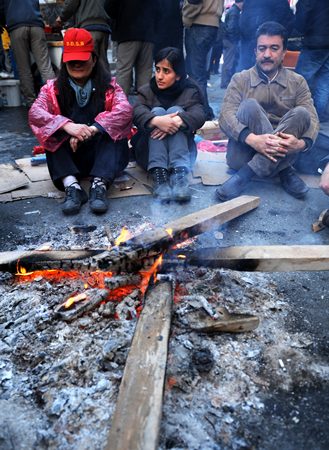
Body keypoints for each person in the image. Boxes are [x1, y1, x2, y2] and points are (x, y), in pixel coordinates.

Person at [29, 28, 132, 215]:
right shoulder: (51, 89)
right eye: (71, 60)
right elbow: (35, 113)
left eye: (82, 59)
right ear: (64, 60)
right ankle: (72, 186)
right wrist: (68, 126)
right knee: (52, 133)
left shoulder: (110, 85)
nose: (77, 64)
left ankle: (99, 185)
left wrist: (93, 129)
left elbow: (124, 110)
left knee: (114, 132)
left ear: (93, 59)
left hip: (103, 157)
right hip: (71, 155)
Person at [216, 21, 319, 202]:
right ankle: (284, 169)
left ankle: (246, 175)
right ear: (255, 52)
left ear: (284, 52)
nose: (267, 54)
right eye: (262, 48)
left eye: (274, 48)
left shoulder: (298, 82)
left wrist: (301, 144)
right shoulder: (241, 79)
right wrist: (253, 139)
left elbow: (312, 118)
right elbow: (225, 116)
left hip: (281, 152)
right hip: (243, 153)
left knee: (302, 113)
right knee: (249, 106)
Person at [132, 47, 206, 203]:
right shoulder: (147, 91)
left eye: (166, 71)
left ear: (178, 75)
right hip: (149, 154)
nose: (159, 76)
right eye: (157, 69)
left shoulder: (190, 91)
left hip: (182, 154)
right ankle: (160, 177)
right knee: (158, 111)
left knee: (176, 111)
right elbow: (135, 111)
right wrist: (156, 121)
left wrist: (178, 121)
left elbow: (200, 114)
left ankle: (179, 175)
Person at [1, 0, 55, 107]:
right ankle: (54, 99)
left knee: (24, 69)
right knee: (45, 67)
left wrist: (4, 23)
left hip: (16, 27)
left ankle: (32, 103)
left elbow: (1, 9)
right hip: (36, 25)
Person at [105, 0, 158, 96]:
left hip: (127, 32)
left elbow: (109, 7)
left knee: (124, 71)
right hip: (148, 34)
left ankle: (120, 105)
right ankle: (144, 104)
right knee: (145, 71)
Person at [182, 0, 224, 120]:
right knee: (198, 71)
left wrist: (186, 16)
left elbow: (194, 1)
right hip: (212, 24)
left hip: (199, 23)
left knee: (196, 73)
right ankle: (203, 109)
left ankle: (202, 111)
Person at [295, 0, 329, 123]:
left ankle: (295, 116)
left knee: (299, 80)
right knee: (324, 84)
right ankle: (316, 119)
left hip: (314, 42)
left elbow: (301, 19)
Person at [237, 0, 294, 71]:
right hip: (270, 40)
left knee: (246, 69)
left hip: (249, 41)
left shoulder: (249, 2)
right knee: (268, 71)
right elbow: (286, 20)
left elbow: (243, 21)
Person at [55, 0, 111, 66]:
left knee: (89, 63)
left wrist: (61, 17)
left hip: (88, 27)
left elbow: (71, 3)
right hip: (104, 27)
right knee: (103, 62)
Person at [220, 0, 243, 89]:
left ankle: (225, 82)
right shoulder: (234, 12)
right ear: (241, 3)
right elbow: (231, 28)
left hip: (228, 40)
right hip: (230, 41)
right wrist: (234, 40)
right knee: (228, 62)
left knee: (228, 61)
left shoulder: (233, 10)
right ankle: (225, 83)